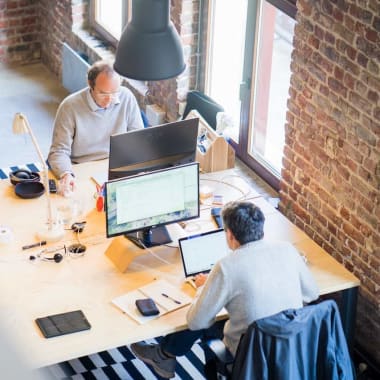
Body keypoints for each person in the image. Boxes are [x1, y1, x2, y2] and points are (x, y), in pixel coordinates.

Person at [130, 201, 319, 379]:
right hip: (292, 352)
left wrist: (203, 287)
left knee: (205, 320)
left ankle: (164, 355)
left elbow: (196, 322)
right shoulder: (287, 249)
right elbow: (312, 294)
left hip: (248, 359)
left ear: (229, 234)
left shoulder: (227, 266)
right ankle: (164, 354)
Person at [47, 60, 144, 195]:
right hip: (80, 168)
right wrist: (66, 174)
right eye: (103, 93)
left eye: (114, 92)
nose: (109, 100)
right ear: (90, 85)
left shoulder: (126, 97)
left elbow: (138, 140)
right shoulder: (69, 107)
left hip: (116, 166)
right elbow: (58, 151)